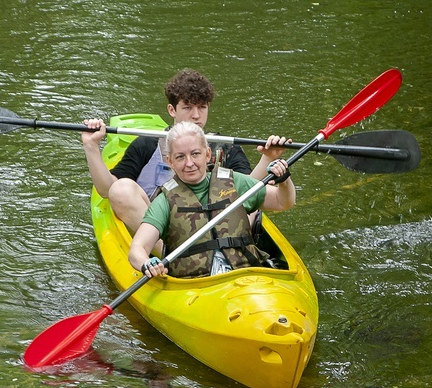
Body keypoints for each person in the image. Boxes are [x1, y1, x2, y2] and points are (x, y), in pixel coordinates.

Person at [81, 69, 288, 233]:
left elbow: (248, 192)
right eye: (188, 108)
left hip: (217, 231)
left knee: (252, 208)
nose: (196, 115)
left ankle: (228, 255)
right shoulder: (147, 144)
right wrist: (91, 147)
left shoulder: (226, 148)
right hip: (162, 232)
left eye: (202, 107)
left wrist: (267, 159)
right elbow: (107, 191)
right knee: (121, 189)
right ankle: (166, 257)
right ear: (172, 110)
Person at [128, 121, 295, 279]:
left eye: (195, 154)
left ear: (207, 154)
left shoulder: (234, 181)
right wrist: (146, 263)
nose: (189, 163)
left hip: (245, 275)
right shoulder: (164, 201)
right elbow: (137, 249)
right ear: (170, 162)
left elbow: (283, 202)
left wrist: (284, 180)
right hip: (197, 284)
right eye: (180, 157)